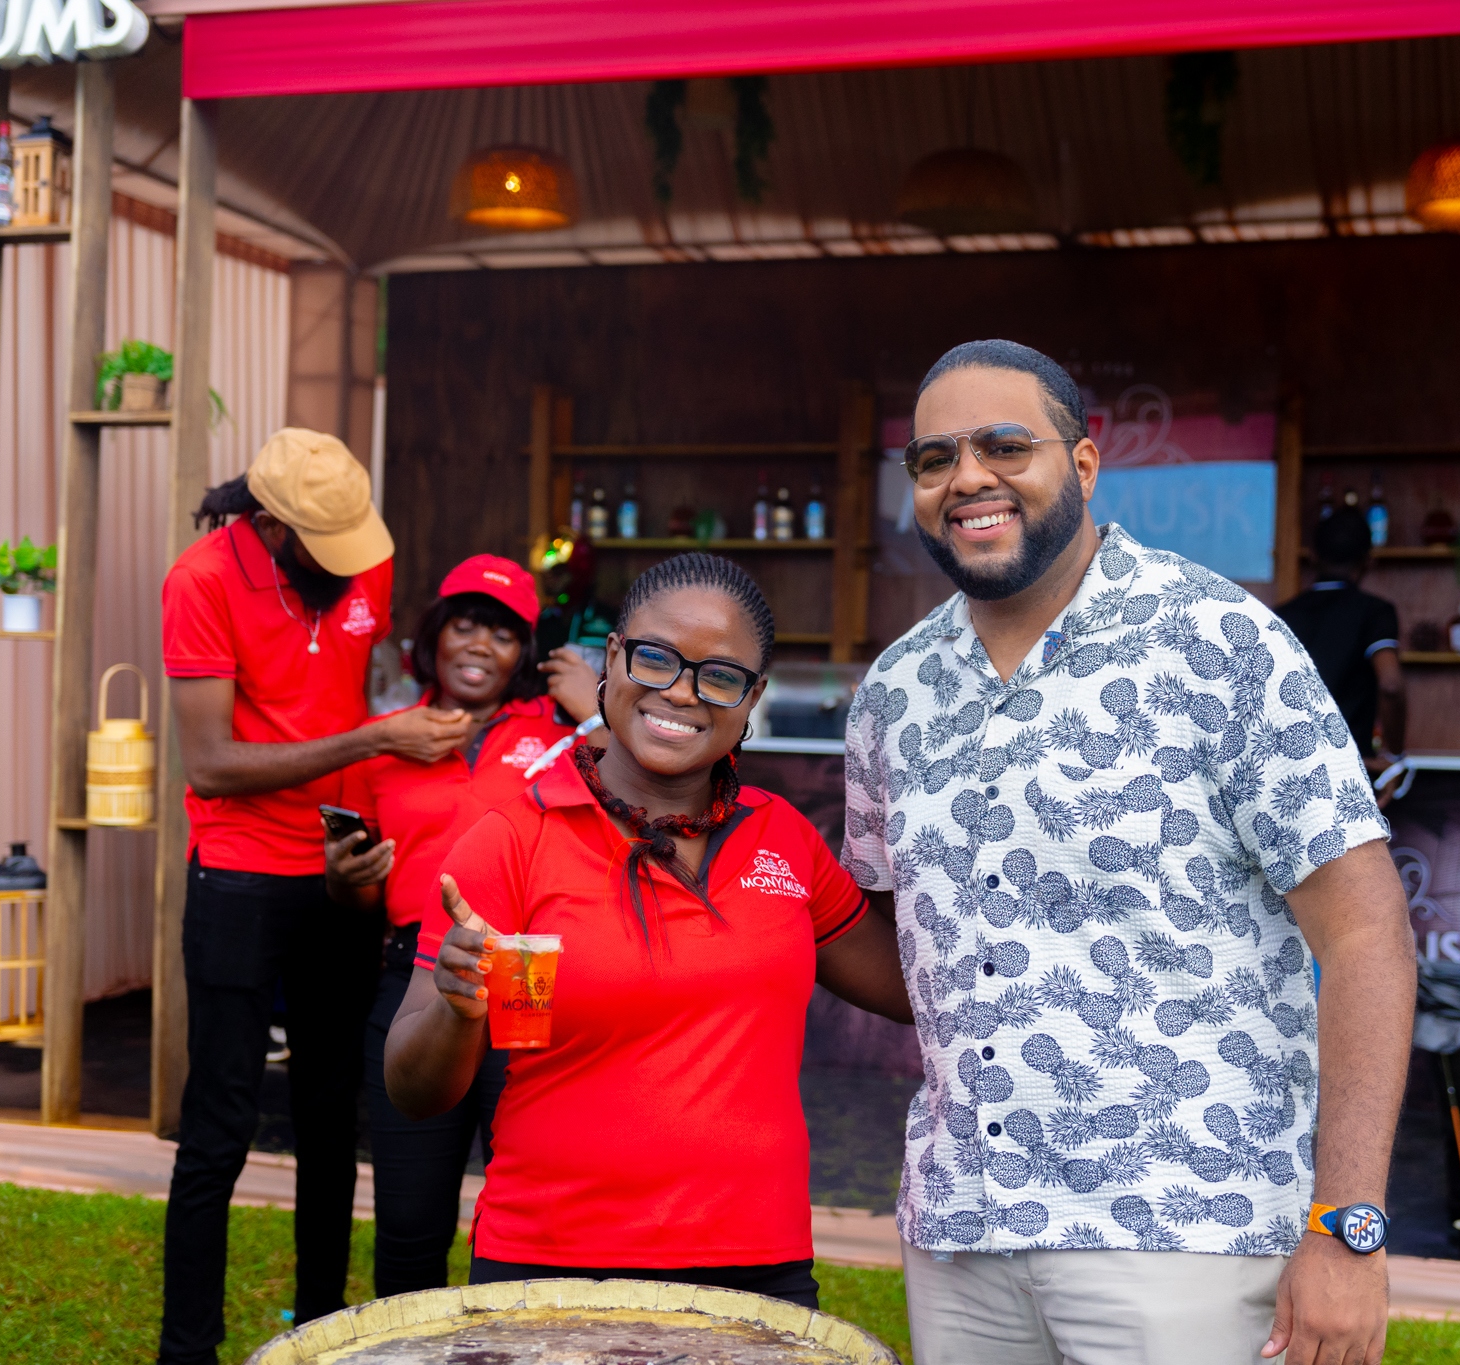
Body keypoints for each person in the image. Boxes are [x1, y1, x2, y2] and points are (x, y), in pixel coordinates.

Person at [842, 341, 1417, 1365]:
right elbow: (914, 953)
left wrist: (1346, 1224)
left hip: (1184, 1224)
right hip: (962, 1227)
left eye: (1003, 446)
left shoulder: (1217, 641)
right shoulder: (894, 692)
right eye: (934, 459)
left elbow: (1365, 931)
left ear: (1083, 464)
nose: (966, 478)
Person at [385, 553, 911, 1309]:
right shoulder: (514, 841)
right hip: (551, 1270)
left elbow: (911, 986)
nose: (682, 692)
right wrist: (457, 1007)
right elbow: (415, 1092)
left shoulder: (783, 840)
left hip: (758, 1266)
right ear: (612, 658)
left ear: (753, 697)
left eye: (720, 676)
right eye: (655, 659)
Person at [158, 429, 474, 1365]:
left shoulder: (363, 562)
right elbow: (210, 764)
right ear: (273, 525)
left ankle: (321, 1328)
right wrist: (376, 739)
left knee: (332, 1116)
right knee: (218, 1123)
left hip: (341, 865)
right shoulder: (200, 581)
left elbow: (329, 688)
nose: (349, 566)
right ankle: (188, 1349)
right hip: (238, 868)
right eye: (324, 547)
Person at [327, 554, 602, 1298]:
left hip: (525, 977)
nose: (481, 644)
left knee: (531, 1226)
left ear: (525, 653)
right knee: (408, 1226)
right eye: (466, 625)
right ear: (435, 634)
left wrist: (594, 709)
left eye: (503, 634)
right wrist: (346, 880)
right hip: (411, 978)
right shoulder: (384, 739)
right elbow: (366, 895)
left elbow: (640, 792)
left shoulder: (563, 736)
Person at [1275, 508, 1406, 770]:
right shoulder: (1374, 612)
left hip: (1287, 767)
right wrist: (1395, 756)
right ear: (1368, 561)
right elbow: (1391, 684)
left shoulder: (1280, 616)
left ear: (1313, 557)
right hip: (1349, 767)